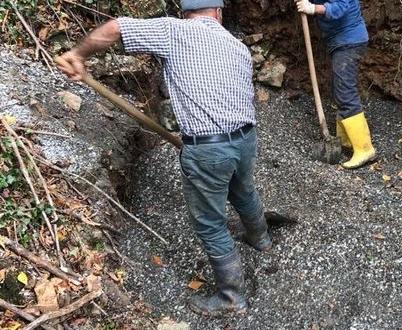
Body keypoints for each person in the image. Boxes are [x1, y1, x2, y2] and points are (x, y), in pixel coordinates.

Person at [57, 0, 271, 316]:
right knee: (243, 190)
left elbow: (116, 27)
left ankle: (232, 299)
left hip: (208, 148)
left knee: (211, 223)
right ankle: (260, 238)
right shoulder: (236, 45)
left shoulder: (174, 30)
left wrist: (77, 54)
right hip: (245, 138)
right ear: (219, 13)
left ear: (185, 12)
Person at [295, 0, 376, 169]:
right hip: (340, 42)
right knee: (339, 90)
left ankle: (364, 149)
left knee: (345, 92)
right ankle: (346, 141)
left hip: (350, 40)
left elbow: (340, 7)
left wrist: (312, 8)